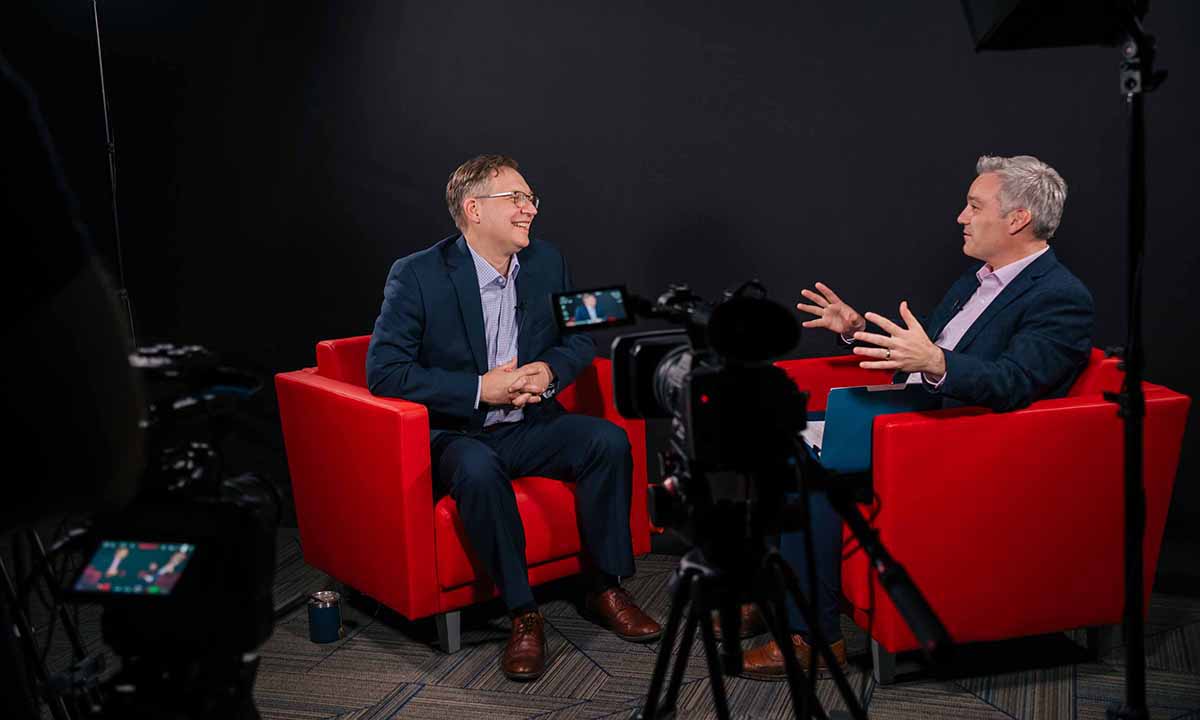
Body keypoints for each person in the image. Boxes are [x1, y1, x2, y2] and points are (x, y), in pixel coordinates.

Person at [739, 154, 1095, 679]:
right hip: (914, 418)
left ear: (1017, 218)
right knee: (774, 432)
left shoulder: (1060, 297)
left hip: (958, 445)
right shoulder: (976, 280)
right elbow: (923, 347)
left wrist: (936, 363)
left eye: (974, 206)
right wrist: (854, 328)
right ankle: (776, 590)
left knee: (808, 474)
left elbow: (1015, 383)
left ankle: (814, 637)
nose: (961, 217)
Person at [366, 154, 661, 682]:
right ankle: (524, 612)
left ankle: (604, 585)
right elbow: (385, 373)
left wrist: (547, 371)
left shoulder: (548, 261)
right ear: (473, 209)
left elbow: (579, 338)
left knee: (607, 442)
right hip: (456, 433)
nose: (530, 210)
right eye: (517, 199)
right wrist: (482, 389)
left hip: (528, 424)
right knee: (479, 472)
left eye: (531, 199)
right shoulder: (416, 275)